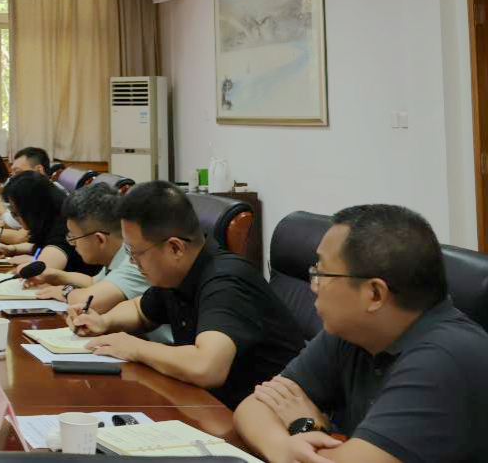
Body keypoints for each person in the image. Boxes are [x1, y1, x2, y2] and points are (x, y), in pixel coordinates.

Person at [235, 204, 488, 463]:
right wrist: (282, 448)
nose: (313, 285)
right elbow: (254, 406)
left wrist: (303, 425)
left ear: (375, 294)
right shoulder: (354, 330)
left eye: (321, 273)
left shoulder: (443, 359)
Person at [71, 181, 303, 409]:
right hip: (210, 405)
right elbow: (139, 310)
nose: (132, 262)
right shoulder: (177, 274)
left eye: (137, 253)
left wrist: (134, 347)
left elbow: (207, 368)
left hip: (266, 416)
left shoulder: (226, 281)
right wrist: (104, 321)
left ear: (175, 248)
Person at [0, 171, 95, 275]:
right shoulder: (52, 216)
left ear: (31, 210)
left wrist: (33, 261)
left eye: (15, 213)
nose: (15, 217)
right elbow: (40, 246)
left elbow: (42, 272)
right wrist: (11, 249)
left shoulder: (65, 226)